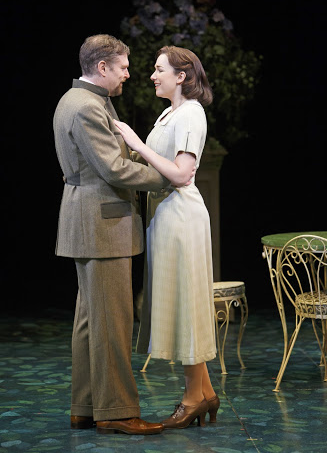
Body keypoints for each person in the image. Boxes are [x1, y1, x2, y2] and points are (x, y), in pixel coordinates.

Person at [53, 34, 191, 435]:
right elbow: (114, 169)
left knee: (90, 321)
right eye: (124, 67)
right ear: (102, 68)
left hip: (91, 221)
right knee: (112, 321)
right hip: (102, 224)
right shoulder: (86, 107)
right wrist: (167, 179)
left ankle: (86, 405)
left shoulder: (79, 101)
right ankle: (116, 412)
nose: (130, 74)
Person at [114, 45, 220, 429]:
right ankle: (205, 394)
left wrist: (137, 144)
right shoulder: (168, 113)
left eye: (159, 69)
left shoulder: (191, 113)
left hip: (181, 215)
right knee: (179, 303)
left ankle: (193, 398)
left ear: (182, 75)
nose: (153, 75)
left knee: (186, 303)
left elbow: (181, 174)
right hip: (163, 215)